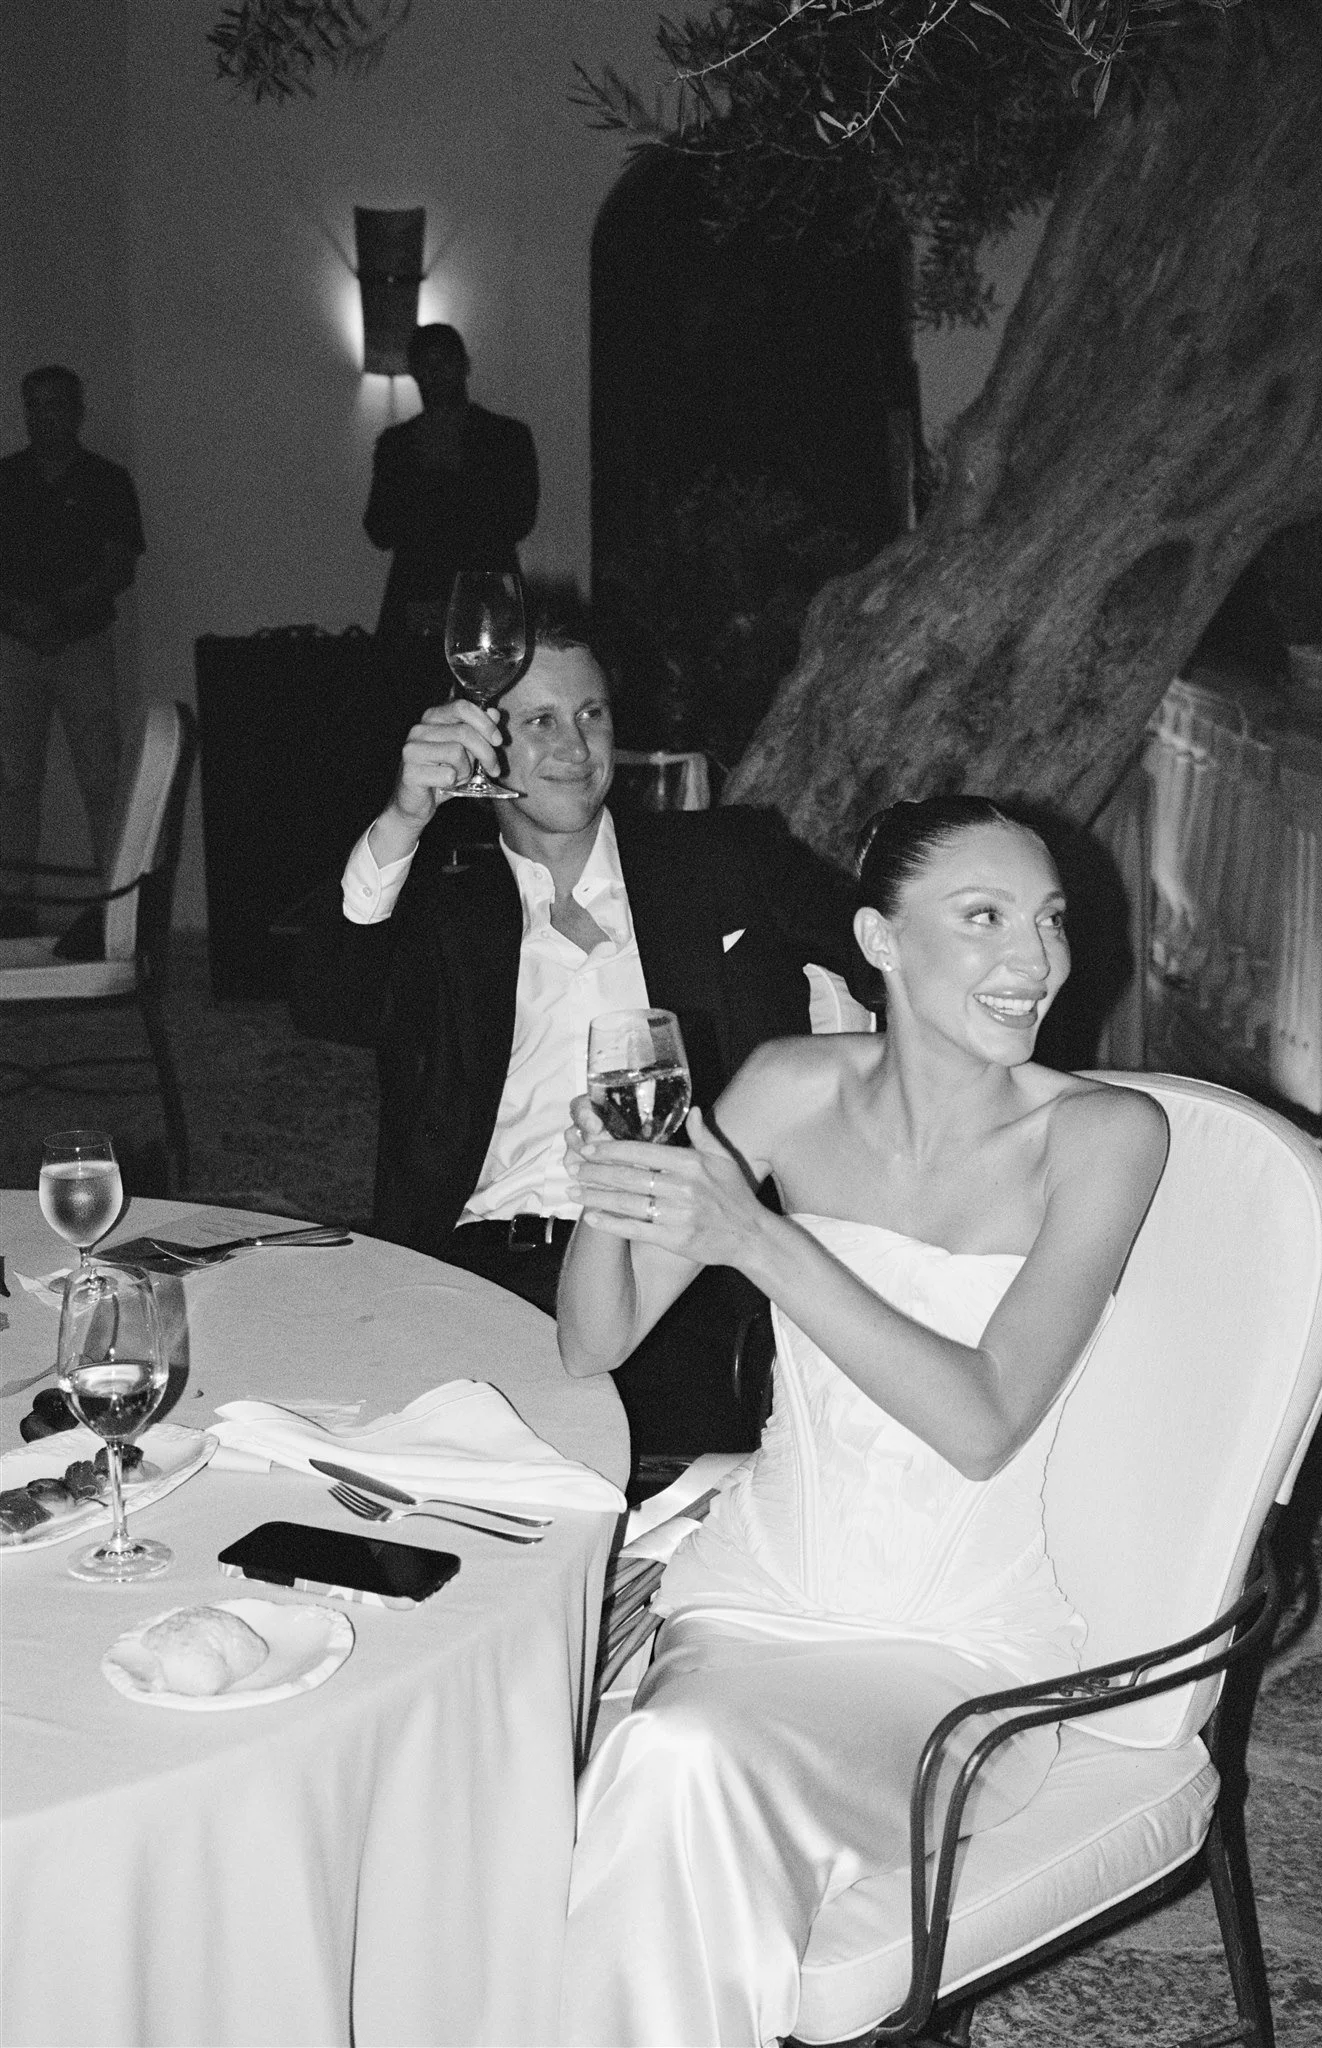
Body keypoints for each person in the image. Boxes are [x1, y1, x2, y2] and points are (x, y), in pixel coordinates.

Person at [556, 795, 1169, 2046]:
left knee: (676, 1766)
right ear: (879, 941)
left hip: (950, 1648)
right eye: (983, 916)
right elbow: (592, 1339)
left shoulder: (1101, 1135)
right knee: (668, 1761)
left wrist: (757, 1239)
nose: (1033, 958)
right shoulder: (789, 1084)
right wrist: (611, 1194)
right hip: (753, 1594)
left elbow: (982, 1420)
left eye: (1048, 919)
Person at [334, 616, 857, 1460]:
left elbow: (888, 952)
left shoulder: (723, 859)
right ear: (480, 743)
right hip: (480, 1267)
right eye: (540, 721)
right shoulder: (440, 898)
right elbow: (333, 1002)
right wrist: (403, 817)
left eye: (592, 715)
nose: (575, 747)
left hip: (677, 1275)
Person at [0, 366, 145, 920]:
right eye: (36, 405)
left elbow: (120, 565)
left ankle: (115, 909)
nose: (46, 416)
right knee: (13, 782)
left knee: (103, 778)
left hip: (82, 643)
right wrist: (20, 614)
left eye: (57, 404)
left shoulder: (107, 480)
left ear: (78, 412)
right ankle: (13, 910)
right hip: (13, 645)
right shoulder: (5, 479)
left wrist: (59, 612)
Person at [363, 323, 539, 642]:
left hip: (483, 599)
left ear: (464, 365)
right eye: (426, 364)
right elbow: (379, 528)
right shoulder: (397, 443)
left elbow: (519, 519)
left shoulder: (506, 438)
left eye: (444, 361)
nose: (435, 373)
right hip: (421, 601)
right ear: (414, 371)